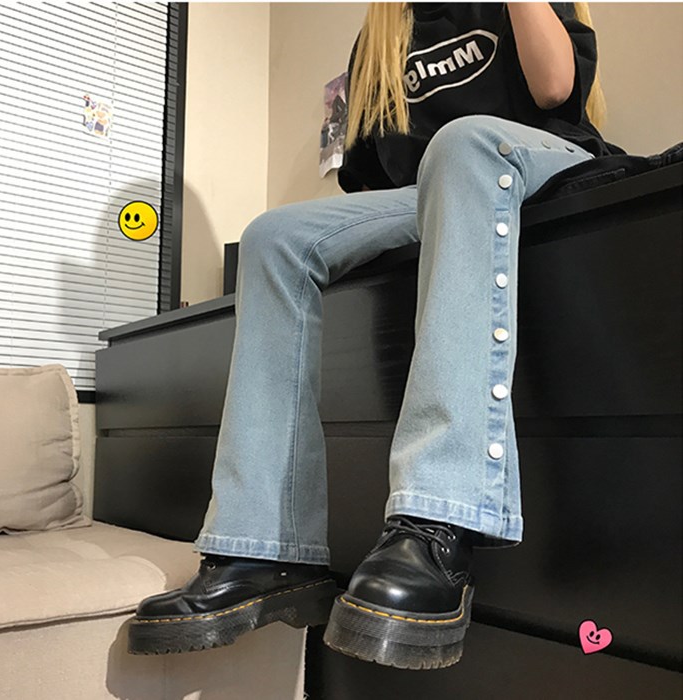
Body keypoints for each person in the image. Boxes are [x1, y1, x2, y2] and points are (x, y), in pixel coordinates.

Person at [128, 2, 626, 670]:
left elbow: (556, 88)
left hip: (538, 160)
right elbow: (370, 175)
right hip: (437, 190)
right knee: (273, 236)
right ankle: (264, 549)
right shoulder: (385, 32)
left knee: (464, 142)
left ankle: (438, 518)